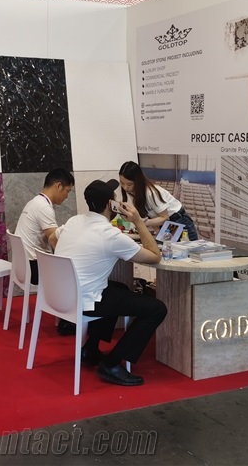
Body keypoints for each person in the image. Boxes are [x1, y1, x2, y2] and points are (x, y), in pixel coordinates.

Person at [50, 179, 166, 387]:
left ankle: (90, 349)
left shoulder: (74, 221)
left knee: (119, 289)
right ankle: (111, 363)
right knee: (157, 309)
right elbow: (154, 256)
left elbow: (52, 238)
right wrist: (139, 222)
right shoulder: (109, 234)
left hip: (60, 296)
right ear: (110, 204)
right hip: (84, 301)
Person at [15, 168, 76, 335]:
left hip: (23, 265)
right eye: (67, 191)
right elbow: (55, 241)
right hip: (33, 268)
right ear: (58, 186)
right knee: (74, 272)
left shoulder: (34, 202)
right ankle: (69, 321)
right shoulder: (43, 207)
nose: (67, 196)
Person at [118, 160, 199, 241]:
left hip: (179, 220)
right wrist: (158, 233)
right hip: (168, 224)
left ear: (138, 181)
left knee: (188, 248)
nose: (125, 187)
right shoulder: (135, 193)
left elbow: (164, 218)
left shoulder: (151, 193)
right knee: (165, 246)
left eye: (129, 184)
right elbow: (150, 215)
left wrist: (142, 222)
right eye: (122, 183)